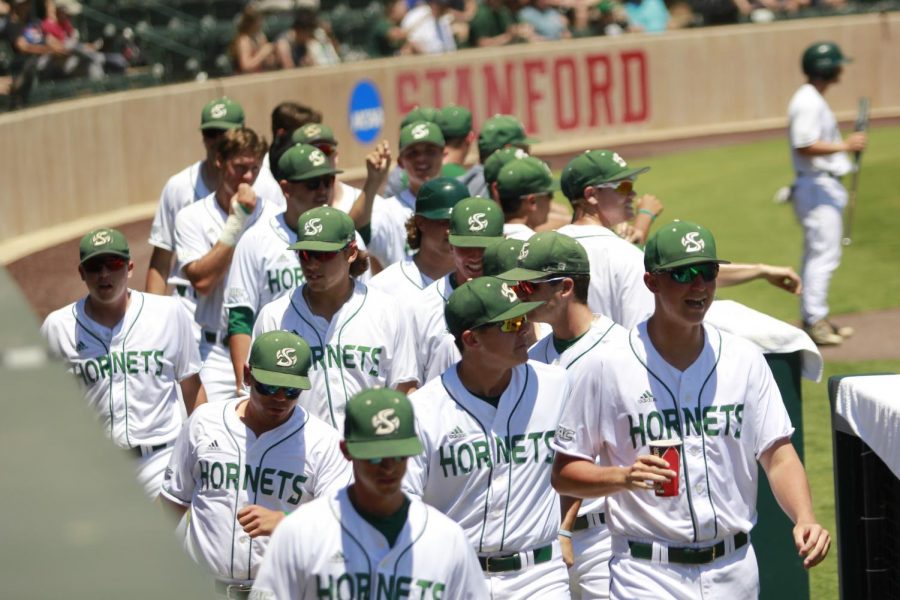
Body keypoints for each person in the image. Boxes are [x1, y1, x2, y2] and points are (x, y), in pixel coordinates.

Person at [551, 221, 830, 600]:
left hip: (735, 569)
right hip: (646, 575)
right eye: (683, 273)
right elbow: (565, 473)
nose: (699, 285)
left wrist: (805, 517)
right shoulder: (606, 366)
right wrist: (622, 476)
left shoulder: (743, 358)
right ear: (652, 282)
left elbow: (777, 455)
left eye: (707, 272)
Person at [404, 276, 572, 597]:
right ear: (472, 339)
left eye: (523, 318)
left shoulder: (557, 385)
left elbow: (579, 461)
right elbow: (403, 505)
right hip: (456, 577)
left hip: (539, 577)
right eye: (510, 324)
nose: (525, 329)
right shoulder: (422, 411)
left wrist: (565, 528)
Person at [160, 331, 351, 599]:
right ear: (248, 376)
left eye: (292, 389)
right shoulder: (204, 422)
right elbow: (172, 502)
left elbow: (342, 523)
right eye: (270, 386)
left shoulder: (324, 442)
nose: (281, 398)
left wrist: (286, 522)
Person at [252, 388, 488, 599]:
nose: (388, 467)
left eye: (398, 455)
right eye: (375, 456)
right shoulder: (301, 532)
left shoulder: (447, 539)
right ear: (346, 451)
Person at [499, 231, 627, 598]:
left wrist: (566, 529)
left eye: (529, 286)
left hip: (607, 535)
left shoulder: (622, 351)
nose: (520, 295)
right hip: (541, 540)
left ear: (565, 287)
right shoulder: (532, 358)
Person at [41, 228, 203, 499]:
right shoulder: (58, 328)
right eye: (94, 266)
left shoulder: (168, 314)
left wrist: (205, 448)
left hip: (161, 461)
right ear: (82, 273)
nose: (104, 274)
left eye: (113, 264)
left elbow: (192, 387)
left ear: (129, 268)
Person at [253, 207, 419, 430]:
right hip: (301, 455)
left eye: (323, 255)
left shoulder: (387, 311)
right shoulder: (275, 316)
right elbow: (256, 396)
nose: (312, 264)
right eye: (305, 254)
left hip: (370, 451)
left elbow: (405, 388)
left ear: (350, 252)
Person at [224, 143, 368, 395]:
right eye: (312, 183)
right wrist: (242, 386)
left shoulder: (346, 236)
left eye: (327, 181)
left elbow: (366, 300)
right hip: (281, 359)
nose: (323, 190)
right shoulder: (256, 239)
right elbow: (240, 318)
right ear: (286, 188)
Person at [146, 98, 262, 345]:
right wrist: (152, 321)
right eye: (211, 133)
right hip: (189, 309)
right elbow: (161, 261)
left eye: (225, 132)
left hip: (245, 312)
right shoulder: (179, 187)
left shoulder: (263, 186)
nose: (217, 140)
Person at [175, 127, 274, 403]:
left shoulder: (274, 214)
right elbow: (202, 282)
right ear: (219, 161)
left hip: (265, 346)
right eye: (240, 167)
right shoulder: (191, 217)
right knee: (209, 436)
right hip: (214, 353)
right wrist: (237, 221)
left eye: (254, 168)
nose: (248, 177)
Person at [788, 41, 866, 345]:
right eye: (837, 64)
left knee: (816, 255)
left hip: (818, 184)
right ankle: (815, 320)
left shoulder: (811, 98)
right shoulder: (807, 101)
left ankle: (813, 317)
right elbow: (804, 143)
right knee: (824, 255)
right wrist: (846, 146)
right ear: (826, 67)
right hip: (816, 185)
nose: (841, 68)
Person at [411, 196, 505, 384]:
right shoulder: (422, 307)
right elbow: (410, 384)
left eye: (485, 246)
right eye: (466, 246)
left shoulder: (521, 296)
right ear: (451, 245)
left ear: (503, 241)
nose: (476, 256)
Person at [368, 176, 469, 299]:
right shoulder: (385, 287)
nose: (452, 230)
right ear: (421, 222)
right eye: (444, 221)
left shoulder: (481, 280)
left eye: (458, 221)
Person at [367, 120, 447, 270]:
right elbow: (366, 247)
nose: (422, 158)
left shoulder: (459, 203)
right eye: (413, 153)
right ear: (400, 162)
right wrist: (372, 182)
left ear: (444, 154)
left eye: (430, 151)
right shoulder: (387, 211)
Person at [466, 114, 538, 198]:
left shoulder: (470, 179)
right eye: (524, 149)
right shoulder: (498, 185)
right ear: (507, 150)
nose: (527, 154)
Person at [495, 155, 559, 240]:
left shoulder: (485, 242)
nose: (551, 200)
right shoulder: (541, 247)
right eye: (550, 195)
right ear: (532, 201)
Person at [229, 4, 278, 74]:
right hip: (246, 80)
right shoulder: (244, 40)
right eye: (259, 20)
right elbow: (246, 67)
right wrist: (262, 54)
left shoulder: (260, 37)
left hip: (261, 76)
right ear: (252, 23)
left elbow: (269, 62)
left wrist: (270, 57)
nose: (262, 23)